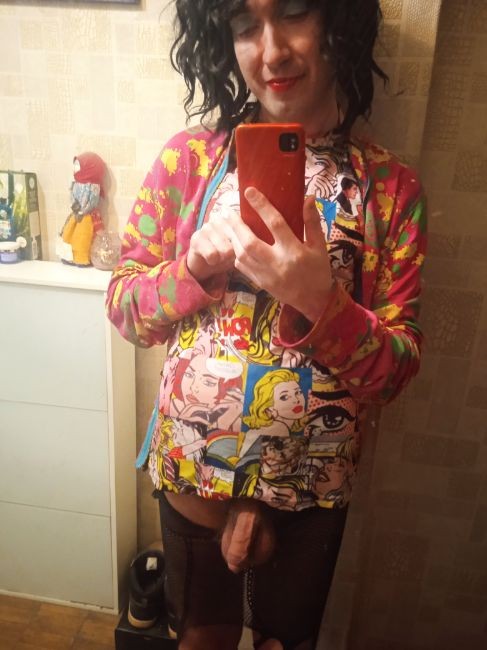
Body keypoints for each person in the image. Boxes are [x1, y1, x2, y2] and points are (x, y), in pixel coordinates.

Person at [106, 0, 427, 648]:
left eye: (293, 13)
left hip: (309, 487)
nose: (271, 50)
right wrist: (191, 270)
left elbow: (393, 373)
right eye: (245, 25)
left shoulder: (389, 190)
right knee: (199, 641)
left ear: (337, 21)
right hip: (193, 476)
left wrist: (323, 302)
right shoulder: (188, 161)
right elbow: (125, 308)